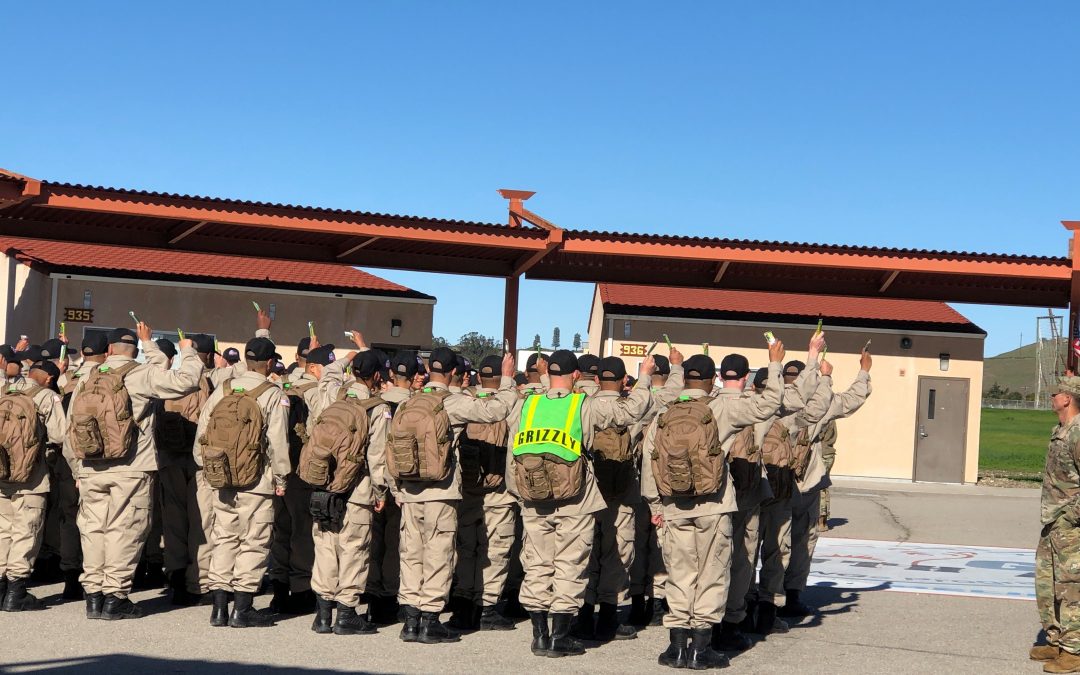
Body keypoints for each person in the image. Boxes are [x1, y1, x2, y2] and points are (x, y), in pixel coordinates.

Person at [641, 339, 786, 670]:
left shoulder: (664, 412)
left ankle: (676, 647)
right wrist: (774, 365)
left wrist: (655, 508)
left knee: (680, 572)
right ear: (712, 380)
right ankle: (701, 648)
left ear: (687, 381)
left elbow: (650, 462)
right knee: (711, 574)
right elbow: (770, 404)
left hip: (674, 506)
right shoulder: (723, 407)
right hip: (714, 504)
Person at [506, 349, 654, 658]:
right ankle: (560, 636)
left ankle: (539, 636)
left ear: (549, 375)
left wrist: (520, 495)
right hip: (575, 497)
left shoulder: (527, 405)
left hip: (534, 497)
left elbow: (513, 454)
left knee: (537, 564)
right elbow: (631, 411)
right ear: (576, 376)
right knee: (569, 564)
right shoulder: (583, 405)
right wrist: (644, 378)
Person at [64, 323, 201, 620]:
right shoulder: (140, 374)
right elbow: (187, 380)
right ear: (135, 351)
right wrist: (184, 351)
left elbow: (69, 428)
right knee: (124, 530)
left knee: (93, 530)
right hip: (131, 467)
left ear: (109, 349)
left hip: (90, 466)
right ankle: (115, 597)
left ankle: (94, 595)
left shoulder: (87, 376)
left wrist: (78, 467)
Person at [393, 347, 518, 645]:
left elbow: (392, 446)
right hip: (441, 490)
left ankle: (410, 621)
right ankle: (430, 621)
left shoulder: (408, 403)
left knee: (411, 553)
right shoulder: (452, 402)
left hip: (410, 490)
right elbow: (496, 410)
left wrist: (396, 488)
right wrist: (508, 380)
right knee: (439, 552)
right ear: (452, 374)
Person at [581, 354, 682, 642]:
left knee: (588, 553)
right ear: (625, 380)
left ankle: (585, 614)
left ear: (597, 379)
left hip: (587, 491)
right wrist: (670, 369)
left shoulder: (580, 405)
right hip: (623, 493)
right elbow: (670, 396)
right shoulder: (636, 406)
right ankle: (610, 616)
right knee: (618, 553)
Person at [194, 336, 289, 628]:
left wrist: (208, 468)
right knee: (254, 540)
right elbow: (278, 440)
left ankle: (219, 609)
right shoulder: (272, 394)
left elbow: (202, 434)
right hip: (257, 479)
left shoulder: (222, 390)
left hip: (220, 477)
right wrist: (282, 477)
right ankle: (243, 609)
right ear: (270, 362)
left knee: (224, 537)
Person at [781, 350, 872, 619]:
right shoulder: (821, 402)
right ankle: (791, 595)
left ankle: (754, 596)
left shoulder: (768, 400)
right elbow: (853, 400)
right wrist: (864, 371)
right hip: (805, 480)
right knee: (802, 538)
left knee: (765, 539)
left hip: (768, 481)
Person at [305, 348, 390, 636]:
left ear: (352, 373)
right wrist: (381, 493)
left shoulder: (332, 395)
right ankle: (347, 614)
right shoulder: (378, 408)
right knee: (354, 550)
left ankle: (323, 614)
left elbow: (328, 373)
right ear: (377, 376)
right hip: (358, 489)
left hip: (325, 485)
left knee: (326, 546)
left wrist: (346, 358)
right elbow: (377, 457)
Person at [448, 354, 519, 631]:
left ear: (479, 378)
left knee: (467, 547)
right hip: (500, 489)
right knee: (497, 549)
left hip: (467, 487)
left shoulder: (465, 402)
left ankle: (464, 603)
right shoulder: (514, 402)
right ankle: (487, 607)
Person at [0, 355, 66, 611]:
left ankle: (1, 586)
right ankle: (16, 591)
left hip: (3, 471)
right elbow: (60, 434)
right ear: (49, 378)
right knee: (26, 529)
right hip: (32, 474)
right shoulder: (46, 397)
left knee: (3, 530)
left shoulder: (5, 391)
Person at [156, 333, 217, 606]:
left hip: (168, 459)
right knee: (201, 524)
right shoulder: (204, 381)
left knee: (174, 523)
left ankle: (176, 579)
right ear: (210, 355)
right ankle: (198, 583)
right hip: (197, 462)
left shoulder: (170, 379)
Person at [267, 339, 325, 616]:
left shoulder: (279, 385)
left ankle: (278, 589)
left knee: (281, 530)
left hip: (276, 469)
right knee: (302, 533)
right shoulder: (314, 389)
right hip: (301, 470)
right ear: (314, 365)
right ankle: (301, 590)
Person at [365, 350, 416, 624]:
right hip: (402, 484)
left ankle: (372, 597)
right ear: (415, 376)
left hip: (373, 483)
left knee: (374, 542)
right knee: (397, 544)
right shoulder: (417, 405)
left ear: (391, 375)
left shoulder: (376, 403)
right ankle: (389, 597)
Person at [1034, 375, 1080, 673]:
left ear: (1067, 398)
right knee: (1046, 584)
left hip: (1069, 526)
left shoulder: (1078, 434)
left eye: (1056, 393)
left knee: (1070, 587)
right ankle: (1055, 640)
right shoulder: (1060, 431)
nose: (1052, 397)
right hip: (1052, 521)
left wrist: (1073, 516)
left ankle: (1074, 651)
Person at [629, 353, 676, 628]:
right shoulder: (673, 402)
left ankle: (637, 602)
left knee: (638, 544)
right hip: (665, 484)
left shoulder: (637, 399)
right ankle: (658, 603)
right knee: (660, 548)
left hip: (633, 483)